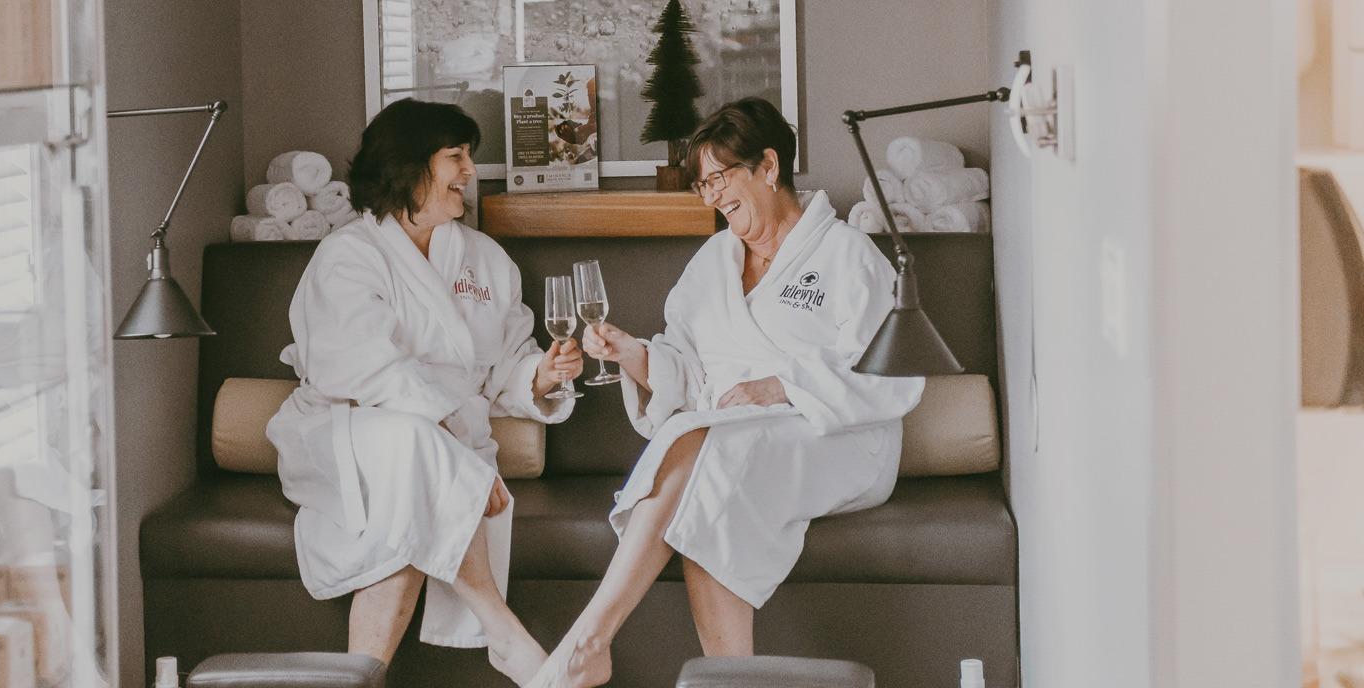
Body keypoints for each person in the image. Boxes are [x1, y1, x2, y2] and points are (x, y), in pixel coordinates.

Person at [525, 97, 927, 688]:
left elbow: (891, 373)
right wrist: (634, 354)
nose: (711, 196)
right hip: (731, 434)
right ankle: (709, 675)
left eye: (719, 178)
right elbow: (687, 368)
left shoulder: (847, 254)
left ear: (768, 166)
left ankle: (586, 645)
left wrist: (779, 387)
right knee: (710, 463)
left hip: (838, 435)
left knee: (707, 448)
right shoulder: (713, 260)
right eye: (703, 184)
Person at [265, 98, 583, 684]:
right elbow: (366, 368)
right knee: (415, 448)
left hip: (434, 444)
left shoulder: (487, 260)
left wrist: (541, 376)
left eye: (469, 157)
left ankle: (361, 679)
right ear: (408, 166)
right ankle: (501, 627)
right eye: (455, 156)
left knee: (407, 504)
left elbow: (505, 365)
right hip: (346, 431)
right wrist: (453, 453)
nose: (470, 171)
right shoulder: (349, 255)